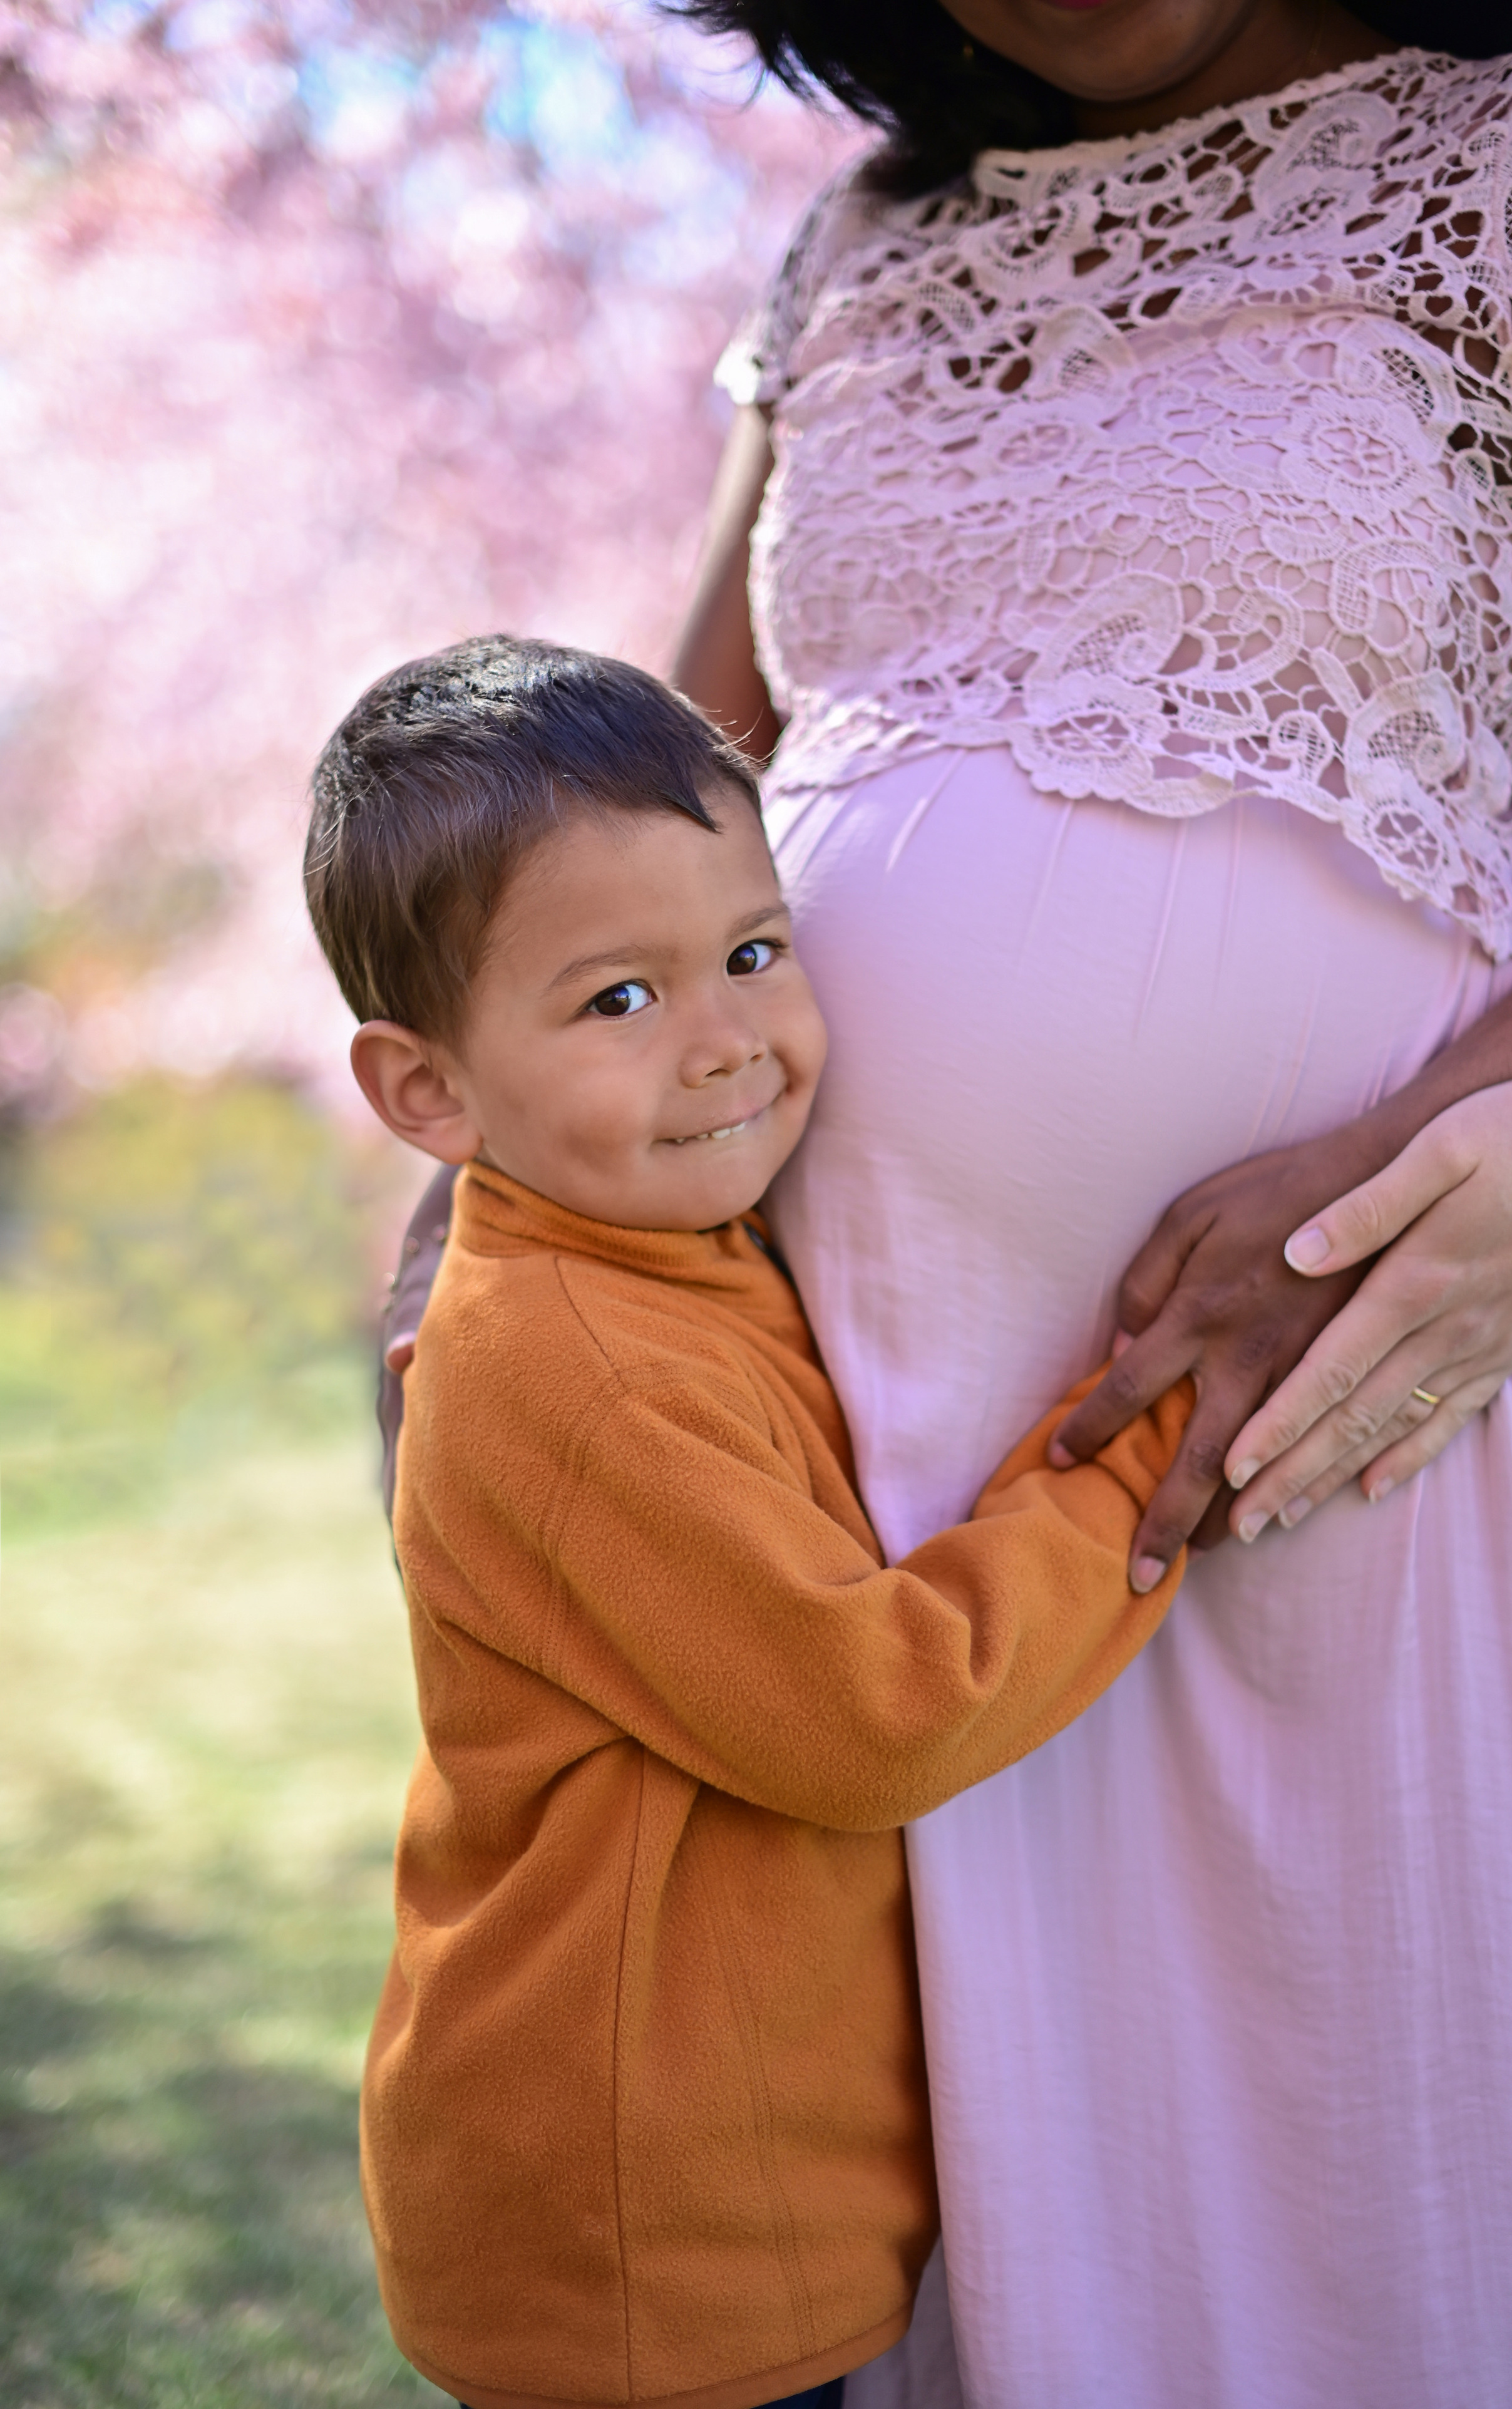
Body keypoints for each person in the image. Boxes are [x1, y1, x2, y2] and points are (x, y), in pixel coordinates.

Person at [662, 0, 1512, 2401]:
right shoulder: (856, 253)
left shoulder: (1505, 164)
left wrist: (1404, 1166)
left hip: (1345, 1390)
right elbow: (639, 789)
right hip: (855, 1471)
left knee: (1374, 2192)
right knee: (951, 2229)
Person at [302, 634, 1191, 2409]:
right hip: (643, 2226)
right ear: (430, 1095)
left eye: (751, 955)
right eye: (615, 1002)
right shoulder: (571, 1367)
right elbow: (876, 1709)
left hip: (703, 2185)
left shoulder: (660, 1264)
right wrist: (1146, 1461)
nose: (720, 1045)